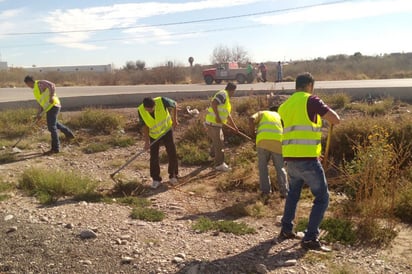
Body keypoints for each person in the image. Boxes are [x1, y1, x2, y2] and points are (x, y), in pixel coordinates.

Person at [277, 72, 340, 251]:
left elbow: (294, 132)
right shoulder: (311, 100)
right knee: (322, 198)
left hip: (290, 159)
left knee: (293, 194)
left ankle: (286, 229)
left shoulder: (284, 106)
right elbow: (335, 119)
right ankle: (310, 238)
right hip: (307, 161)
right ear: (309, 85)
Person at [24, 75, 74, 155]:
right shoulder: (35, 90)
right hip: (48, 108)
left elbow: (52, 85)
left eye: (27, 84)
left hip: (53, 105)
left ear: (29, 82)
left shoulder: (40, 83)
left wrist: (51, 97)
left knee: (51, 127)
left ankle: (55, 148)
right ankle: (69, 135)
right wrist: (39, 114)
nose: (28, 86)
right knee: (55, 124)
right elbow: (41, 103)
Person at [138, 97, 179, 189]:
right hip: (154, 135)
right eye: (148, 110)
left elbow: (175, 104)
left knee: (172, 152)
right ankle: (156, 179)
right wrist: (146, 142)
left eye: (152, 109)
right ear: (145, 107)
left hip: (167, 130)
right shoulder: (141, 110)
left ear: (154, 105)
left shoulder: (162, 101)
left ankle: (173, 176)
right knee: (154, 157)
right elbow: (145, 126)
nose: (150, 111)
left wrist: (175, 120)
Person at [249, 105, 288, 200]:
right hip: (278, 143)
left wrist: (253, 134)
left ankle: (266, 192)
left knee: (263, 168)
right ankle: (285, 192)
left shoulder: (262, 113)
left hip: (262, 142)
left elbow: (251, 119)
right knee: (280, 168)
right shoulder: (279, 117)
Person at [205, 82, 239, 172]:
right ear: (232, 90)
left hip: (215, 124)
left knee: (217, 141)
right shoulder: (223, 94)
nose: (234, 93)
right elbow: (213, 103)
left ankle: (212, 157)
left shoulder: (226, 99)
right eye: (234, 91)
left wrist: (235, 127)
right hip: (213, 123)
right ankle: (219, 164)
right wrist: (217, 117)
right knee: (219, 143)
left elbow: (228, 115)